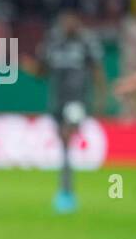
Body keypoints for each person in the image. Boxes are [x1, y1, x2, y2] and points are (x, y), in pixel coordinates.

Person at [23, 12, 107, 213]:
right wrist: (30, 67)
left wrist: (100, 100)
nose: (68, 26)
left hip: (76, 100)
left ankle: (66, 192)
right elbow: (42, 72)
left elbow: (97, 72)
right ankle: (66, 190)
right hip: (57, 102)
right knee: (64, 145)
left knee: (67, 137)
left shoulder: (86, 44)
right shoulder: (53, 44)